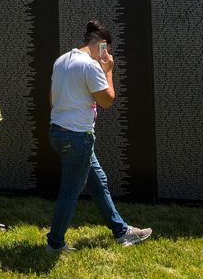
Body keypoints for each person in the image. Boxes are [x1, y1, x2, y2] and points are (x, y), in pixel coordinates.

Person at [46, 20, 152, 252]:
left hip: (58, 131)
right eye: (107, 49)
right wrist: (109, 71)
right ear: (102, 44)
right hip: (78, 137)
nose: (107, 55)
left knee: (98, 182)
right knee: (70, 190)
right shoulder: (91, 66)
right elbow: (107, 100)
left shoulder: (61, 60)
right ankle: (55, 243)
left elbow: (52, 99)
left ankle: (121, 231)